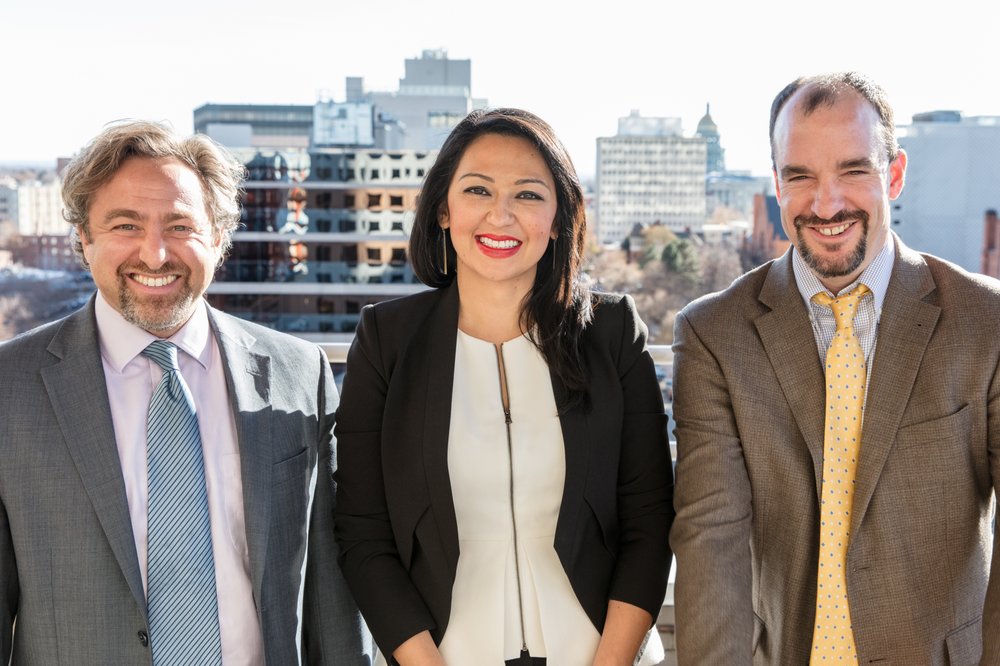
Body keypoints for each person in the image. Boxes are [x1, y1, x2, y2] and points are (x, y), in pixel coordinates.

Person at [0, 120, 369, 665]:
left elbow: (332, 600)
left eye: (180, 226)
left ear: (218, 237)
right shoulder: (10, 388)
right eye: (126, 225)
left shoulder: (298, 374)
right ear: (84, 238)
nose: (155, 255)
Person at [670, 71, 1000, 664]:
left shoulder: (986, 322)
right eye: (800, 176)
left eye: (853, 171)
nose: (826, 205)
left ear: (893, 175)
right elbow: (711, 541)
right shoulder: (714, 334)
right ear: (777, 183)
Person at [333, 108, 673, 666]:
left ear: (559, 219)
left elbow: (650, 518)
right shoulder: (386, 341)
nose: (501, 214)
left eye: (529, 195)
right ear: (444, 209)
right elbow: (363, 534)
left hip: (602, 654)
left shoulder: (611, 332)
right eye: (478, 190)